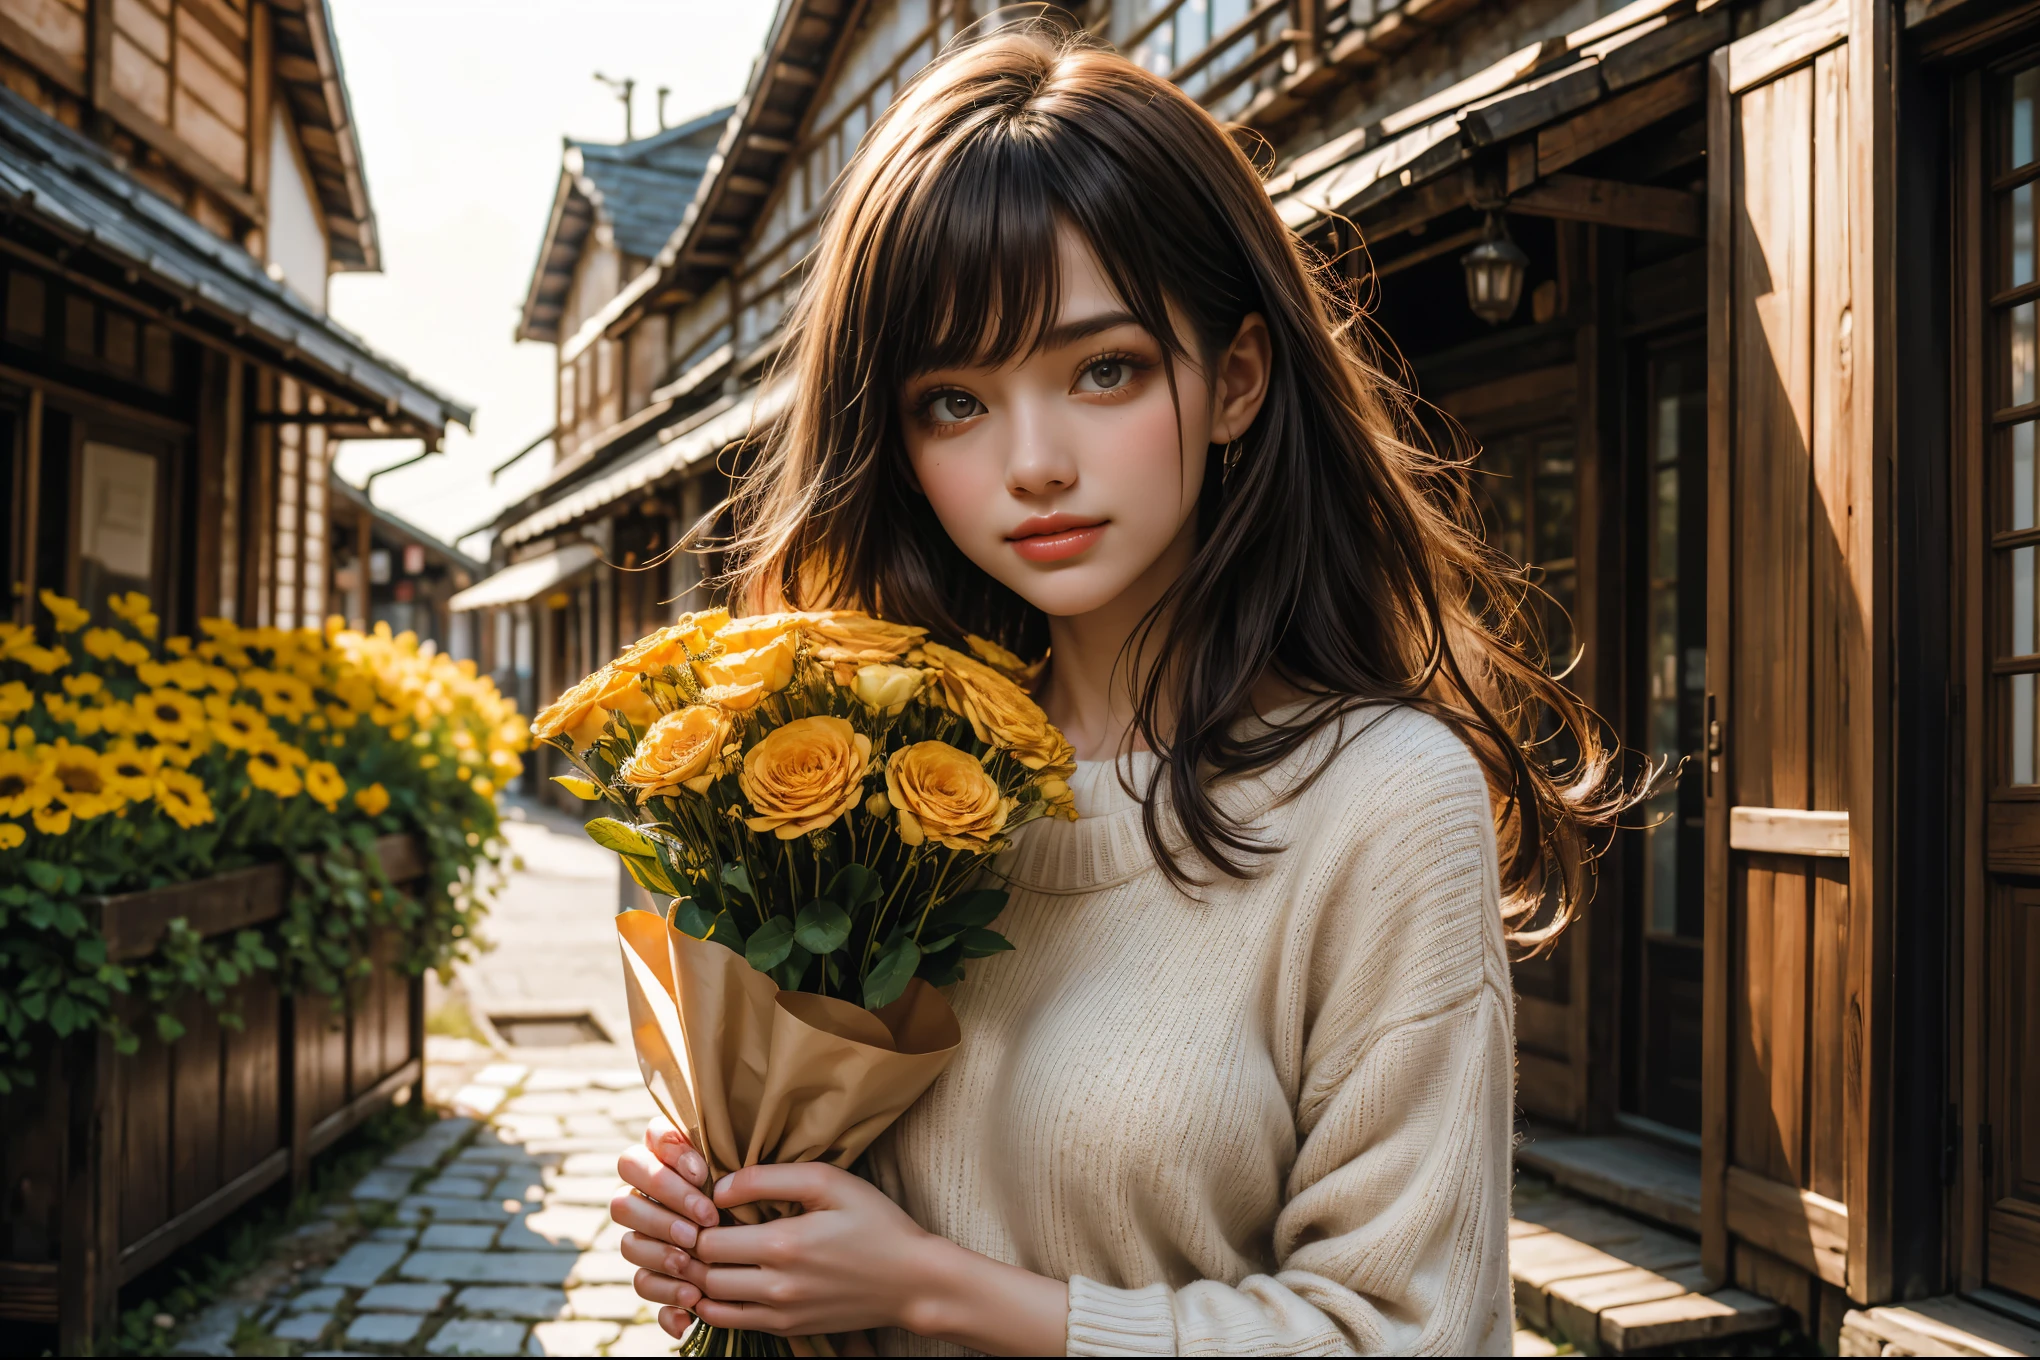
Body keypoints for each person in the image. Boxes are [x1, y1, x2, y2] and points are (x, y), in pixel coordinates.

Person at [606, 20, 1629, 1357]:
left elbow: (1409, 1332)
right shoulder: (874, 796)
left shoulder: (1380, 803)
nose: (1034, 463)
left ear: (1237, 381)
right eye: (953, 401)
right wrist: (738, 1229)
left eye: (1104, 370)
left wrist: (927, 1289)